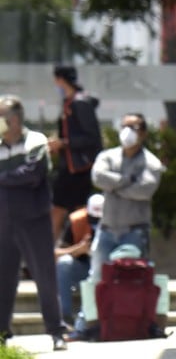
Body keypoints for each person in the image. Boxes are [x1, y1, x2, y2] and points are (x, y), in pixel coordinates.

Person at [0, 95, 67, 351]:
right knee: (3, 280)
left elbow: (33, 174)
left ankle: (56, 332)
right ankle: (2, 334)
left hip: (33, 220)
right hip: (3, 222)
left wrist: (2, 176)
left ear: (14, 119)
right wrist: (9, 177)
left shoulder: (35, 141)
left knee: (44, 277)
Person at [89, 112, 164, 281]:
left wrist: (114, 187)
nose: (127, 131)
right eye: (124, 127)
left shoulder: (151, 163)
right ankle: (95, 309)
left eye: (133, 127)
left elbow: (144, 190)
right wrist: (127, 180)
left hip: (134, 232)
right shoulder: (107, 156)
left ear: (143, 133)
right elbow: (98, 177)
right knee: (98, 279)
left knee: (131, 280)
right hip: (106, 231)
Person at [49, 65, 103, 241]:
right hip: (70, 167)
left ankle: (75, 252)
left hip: (79, 169)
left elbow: (92, 137)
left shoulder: (79, 103)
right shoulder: (69, 102)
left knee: (73, 211)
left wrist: (64, 144)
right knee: (64, 210)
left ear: (60, 80)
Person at [54, 193, 104, 326]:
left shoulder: (115, 221)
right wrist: (78, 249)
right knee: (64, 263)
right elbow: (56, 254)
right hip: (83, 268)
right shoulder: (76, 220)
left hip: (105, 270)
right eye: (93, 219)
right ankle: (65, 316)